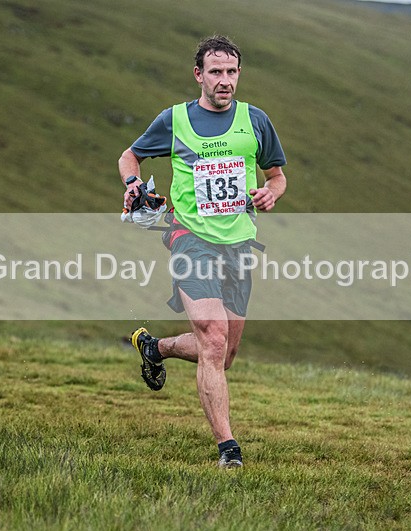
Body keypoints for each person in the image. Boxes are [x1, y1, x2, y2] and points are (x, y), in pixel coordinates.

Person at [117, 35, 287, 469]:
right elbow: (129, 157)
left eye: (231, 72)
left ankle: (156, 348)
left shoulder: (256, 121)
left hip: (239, 242)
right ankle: (229, 450)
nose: (224, 80)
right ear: (199, 75)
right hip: (188, 236)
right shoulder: (174, 120)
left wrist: (269, 192)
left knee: (224, 352)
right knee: (213, 339)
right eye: (216, 72)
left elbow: (277, 176)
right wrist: (134, 185)